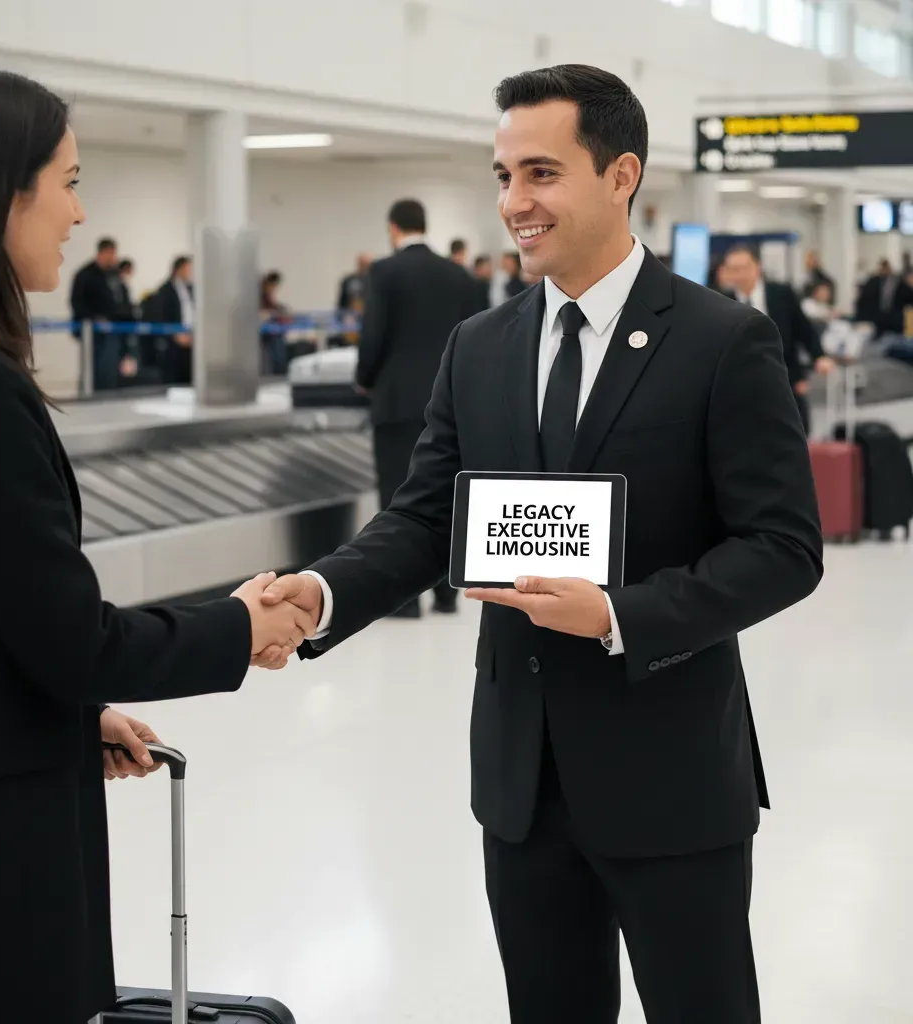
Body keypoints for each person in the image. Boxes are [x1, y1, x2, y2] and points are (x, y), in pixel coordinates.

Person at [255, 64, 823, 1023]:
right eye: (504, 175)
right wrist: (323, 592)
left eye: (542, 174)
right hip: (523, 784)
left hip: (671, 778)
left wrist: (619, 614)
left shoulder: (722, 342)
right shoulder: (481, 344)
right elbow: (427, 514)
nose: (515, 202)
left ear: (621, 175)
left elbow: (783, 545)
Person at [0, 65, 316, 1024]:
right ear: (2, 192)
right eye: (71, 181)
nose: (79, 214)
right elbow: (69, 638)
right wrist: (237, 624)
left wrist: (69, 717)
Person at [355, 198, 480, 617]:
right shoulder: (458, 276)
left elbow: (373, 336)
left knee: (398, 498)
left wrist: (365, 379)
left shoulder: (384, 272)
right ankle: (447, 593)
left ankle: (404, 600)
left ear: (393, 228)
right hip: (452, 401)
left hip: (397, 402)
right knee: (449, 494)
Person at [721, 244, 834, 435]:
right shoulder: (722, 300)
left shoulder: (780, 293)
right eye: (733, 269)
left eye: (744, 267)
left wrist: (819, 356)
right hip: (741, 380)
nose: (739, 274)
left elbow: (802, 328)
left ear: (757, 267)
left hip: (785, 373)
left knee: (795, 429)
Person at [70, 236, 123, 391]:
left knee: (110, 370)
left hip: (113, 331)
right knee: (92, 370)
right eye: (110, 254)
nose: (113, 258)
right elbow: (77, 303)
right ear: (102, 252)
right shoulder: (85, 275)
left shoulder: (114, 275)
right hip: (91, 332)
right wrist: (95, 319)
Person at [144, 255, 194, 385]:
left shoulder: (191, 289)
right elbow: (160, 316)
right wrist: (174, 335)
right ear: (179, 269)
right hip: (173, 342)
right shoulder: (165, 290)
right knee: (174, 378)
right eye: (188, 269)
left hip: (190, 339)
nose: (190, 272)